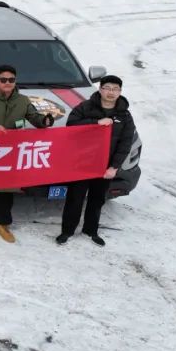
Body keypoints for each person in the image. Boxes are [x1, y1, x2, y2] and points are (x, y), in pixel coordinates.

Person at [0, 64, 55, 243]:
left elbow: (34, 118)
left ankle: (2, 224)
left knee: (6, 189)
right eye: (3, 80)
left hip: (11, 152)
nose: (8, 83)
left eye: (11, 80)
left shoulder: (23, 101)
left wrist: (44, 121)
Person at [58, 75, 135, 247]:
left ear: (120, 92)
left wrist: (114, 167)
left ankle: (90, 230)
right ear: (100, 89)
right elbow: (71, 125)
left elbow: (125, 142)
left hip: (104, 166)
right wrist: (96, 123)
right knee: (74, 199)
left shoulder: (124, 115)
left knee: (97, 199)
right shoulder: (86, 107)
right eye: (107, 88)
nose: (111, 92)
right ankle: (67, 231)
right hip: (82, 164)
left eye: (115, 89)